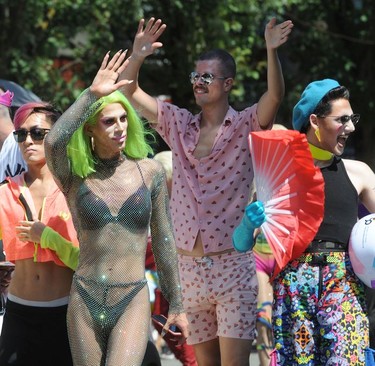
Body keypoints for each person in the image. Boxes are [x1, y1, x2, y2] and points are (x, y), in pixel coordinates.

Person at [120, 16, 293, 366]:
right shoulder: (179, 123)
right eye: (195, 76)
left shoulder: (245, 124)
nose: (198, 82)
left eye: (207, 76)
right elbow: (128, 90)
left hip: (232, 265)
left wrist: (271, 51)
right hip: (189, 270)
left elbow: (274, 96)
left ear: (227, 83)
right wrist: (137, 55)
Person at [44, 50, 188, 366]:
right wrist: (91, 94)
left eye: (124, 119)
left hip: (132, 297)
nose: (119, 127)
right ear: (90, 130)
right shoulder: (75, 177)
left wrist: (176, 302)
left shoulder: (149, 172)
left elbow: (164, 241)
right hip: (85, 296)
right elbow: (53, 143)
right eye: (109, 121)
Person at [238, 79, 375, 365]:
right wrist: (248, 224)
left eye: (353, 118)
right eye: (342, 120)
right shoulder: (277, 175)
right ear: (315, 121)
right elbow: (240, 244)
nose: (351, 127)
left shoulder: (359, 172)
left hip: (345, 283)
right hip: (293, 286)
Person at [0, 101, 79, 366]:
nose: (27, 141)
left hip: (64, 313)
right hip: (18, 314)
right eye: (21, 134)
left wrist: (50, 239)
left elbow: (89, 264)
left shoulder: (77, 190)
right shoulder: (4, 191)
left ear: (56, 137)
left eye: (37, 133)